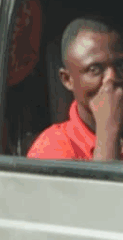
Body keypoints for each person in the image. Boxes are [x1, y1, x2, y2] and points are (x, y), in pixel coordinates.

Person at [27, 16, 123, 161]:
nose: (112, 78)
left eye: (120, 65)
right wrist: (108, 131)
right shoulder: (53, 146)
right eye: (94, 69)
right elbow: (100, 178)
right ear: (67, 79)